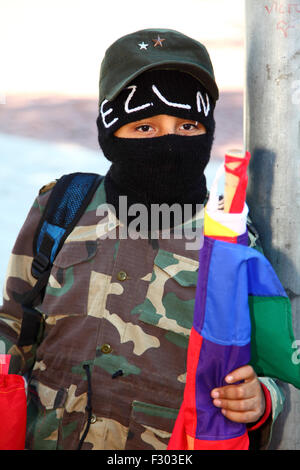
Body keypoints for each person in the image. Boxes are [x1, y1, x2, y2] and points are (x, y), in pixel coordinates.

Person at [0, 28, 284, 450]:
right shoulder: (62, 207)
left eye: (187, 125)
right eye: (144, 127)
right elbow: (15, 324)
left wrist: (263, 399)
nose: (169, 142)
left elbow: (272, 369)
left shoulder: (229, 245)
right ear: (109, 134)